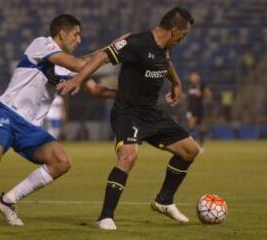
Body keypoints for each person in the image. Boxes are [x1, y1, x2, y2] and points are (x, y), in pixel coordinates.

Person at [0, 14, 117, 229]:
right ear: (62, 33)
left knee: (61, 162)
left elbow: (95, 89)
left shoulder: (69, 68)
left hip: (30, 128)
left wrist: (121, 94)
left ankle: (8, 201)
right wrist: (115, 49)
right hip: (6, 114)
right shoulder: (42, 44)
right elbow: (80, 63)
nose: (79, 39)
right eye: (76, 34)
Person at [57, 7, 199, 230]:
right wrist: (78, 80)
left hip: (151, 114)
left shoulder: (165, 48)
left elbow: (167, 62)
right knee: (128, 156)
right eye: (184, 34)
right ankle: (105, 217)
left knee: (190, 150)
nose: (184, 38)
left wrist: (177, 83)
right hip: (128, 113)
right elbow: (102, 57)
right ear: (173, 30)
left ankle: (164, 200)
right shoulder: (137, 43)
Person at [185, 72, 212, 146]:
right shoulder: (187, 86)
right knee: (191, 125)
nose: (193, 78)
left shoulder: (202, 86)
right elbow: (185, 96)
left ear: (198, 78)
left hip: (199, 107)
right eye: (192, 77)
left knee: (201, 127)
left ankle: (201, 144)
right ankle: (193, 145)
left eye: (195, 77)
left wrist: (202, 92)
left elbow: (209, 94)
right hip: (190, 108)